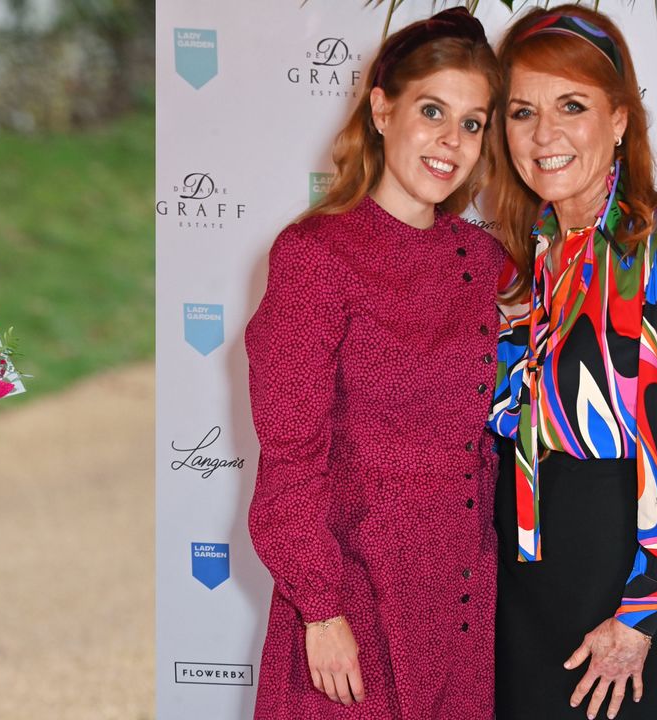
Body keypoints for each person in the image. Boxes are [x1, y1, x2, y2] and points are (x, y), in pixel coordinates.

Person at [244, 9, 504, 719]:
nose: (452, 141)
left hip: (461, 601)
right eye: (432, 111)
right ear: (383, 110)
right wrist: (320, 611)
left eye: (474, 123)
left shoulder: (488, 264)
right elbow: (290, 455)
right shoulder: (315, 257)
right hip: (351, 599)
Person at [486, 6, 657, 720]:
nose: (545, 135)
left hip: (615, 586)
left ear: (619, 117)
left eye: (572, 105)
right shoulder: (523, 259)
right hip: (519, 583)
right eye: (522, 111)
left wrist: (640, 617)